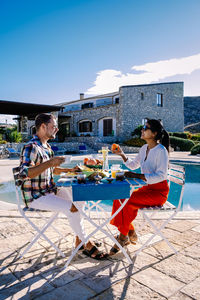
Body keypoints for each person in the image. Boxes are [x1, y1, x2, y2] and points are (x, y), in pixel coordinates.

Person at [18, 113, 107, 260]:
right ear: (42, 126)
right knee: (72, 209)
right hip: (36, 196)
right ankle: (87, 243)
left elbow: (50, 170)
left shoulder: (47, 147)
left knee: (80, 196)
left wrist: (69, 170)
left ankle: (79, 240)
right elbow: (24, 173)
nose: (57, 129)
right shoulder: (31, 147)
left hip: (50, 190)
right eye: (54, 126)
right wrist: (51, 162)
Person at [109, 119, 170, 255]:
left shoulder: (161, 151)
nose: (142, 129)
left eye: (145, 127)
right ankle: (129, 231)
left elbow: (161, 175)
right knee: (119, 197)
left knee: (128, 201)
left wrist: (137, 176)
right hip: (147, 188)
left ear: (154, 133)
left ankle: (123, 236)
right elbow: (133, 165)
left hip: (158, 192)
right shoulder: (144, 149)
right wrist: (122, 154)